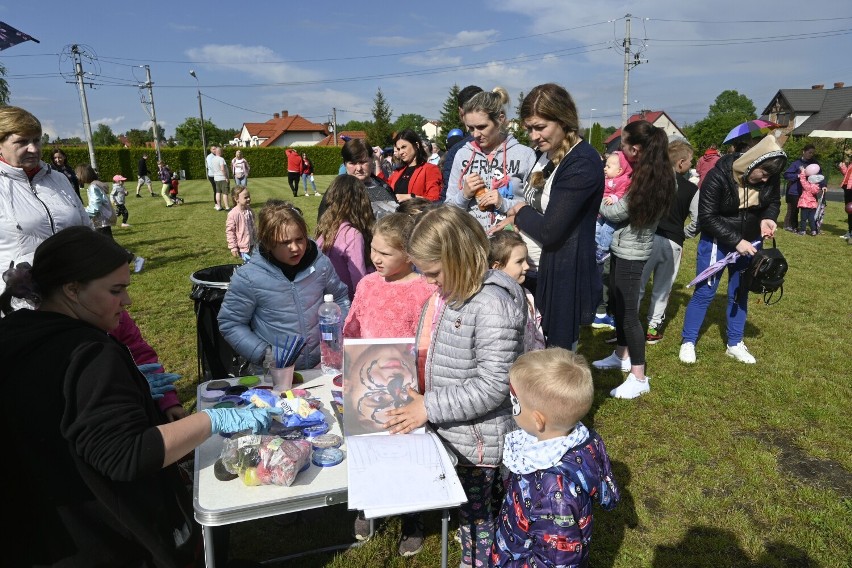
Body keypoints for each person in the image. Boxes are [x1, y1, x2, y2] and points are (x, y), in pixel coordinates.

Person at [0, 226, 281, 567]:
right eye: (116, 290)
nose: (127, 302)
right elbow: (128, 454)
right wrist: (212, 418)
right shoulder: (91, 354)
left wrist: (131, 392)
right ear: (72, 290)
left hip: (42, 528)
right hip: (108, 538)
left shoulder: (15, 333)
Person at [383, 205, 526, 567]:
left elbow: (493, 385)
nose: (429, 282)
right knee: (471, 511)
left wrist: (428, 406)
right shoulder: (456, 291)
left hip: (480, 442)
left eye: (432, 272)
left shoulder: (491, 304)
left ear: (458, 257)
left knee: (478, 520)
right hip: (460, 428)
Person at [490, 348, 620, 568]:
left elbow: (557, 561)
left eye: (514, 401)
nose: (511, 406)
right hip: (517, 539)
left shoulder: (554, 496)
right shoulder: (574, 439)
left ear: (538, 420)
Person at [500, 83, 605, 351]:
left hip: (561, 274)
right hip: (533, 270)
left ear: (563, 120)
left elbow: (551, 230)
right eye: (529, 128)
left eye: (540, 127)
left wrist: (519, 211)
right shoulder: (547, 155)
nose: (533, 136)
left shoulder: (581, 162)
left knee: (556, 360)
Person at [679, 134, 786, 365]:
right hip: (718, 242)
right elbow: (707, 217)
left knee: (740, 291)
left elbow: (773, 202)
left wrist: (767, 218)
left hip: (751, 244)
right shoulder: (718, 176)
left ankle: (735, 343)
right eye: (763, 174)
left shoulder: (770, 179)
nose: (766, 180)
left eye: (770, 176)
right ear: (752, 164)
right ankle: (688, 341)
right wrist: (736, 241)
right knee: (705, 292)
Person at [592, 120, 675, 399]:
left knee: (629, 314)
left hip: (632, 252)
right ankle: (620, 355)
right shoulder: (646, 172)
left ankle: (638, 376)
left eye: (624, 144)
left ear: (636, 150)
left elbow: (617, 213)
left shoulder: (648, 180)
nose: (620, 148)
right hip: (622, 247)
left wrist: (601, 200)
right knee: (618, 304)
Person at [218, 199, 350, 373]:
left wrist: (337, 333)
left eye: (300, 239)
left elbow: (340, 297)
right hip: (275, 374)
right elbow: (231, 323)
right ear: (268, 242)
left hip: (322, 367)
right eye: (285, 242)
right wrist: (264, 354)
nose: (295, 248)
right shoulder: (249, 277)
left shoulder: (321, 265)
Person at [0, 106, 91, 297]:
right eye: (22, 142)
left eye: (37, 140)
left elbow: (85, 227)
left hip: (74, 291)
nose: (33, 149)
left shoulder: (59, 179)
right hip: (22, 302)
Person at [446, 87, 536, 232]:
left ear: (500, 119)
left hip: (509, 246)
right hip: (472, 243)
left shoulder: (525, 155)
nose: (475, 134)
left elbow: (536, 209)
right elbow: (448, 209)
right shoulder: (462, 154)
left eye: (482, 127)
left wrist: (503, 203)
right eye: (470, 128)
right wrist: (464, 195)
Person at [637, 140, 699, 345]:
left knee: (638, 284)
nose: (692, 164)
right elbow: (698, 219)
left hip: (648, 238)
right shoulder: (691, 189)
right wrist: (685, 233)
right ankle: (653, 329)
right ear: (681, 162)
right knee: (662, 289)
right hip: (673, 243)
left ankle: (627, 325)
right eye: (690, 161)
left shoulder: (653, 181)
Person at [344, 212, 436, 340]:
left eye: (385, 254)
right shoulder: (367, 284)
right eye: (373, 249)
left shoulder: (427, 290)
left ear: (409, 255)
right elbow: (352, 332)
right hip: (368, 358)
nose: (376, 259)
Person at [315, 175, 375, 301]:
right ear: (361, 201)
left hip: (327, 298)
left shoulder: (325, 227)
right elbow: (358, 276)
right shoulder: (352, 234)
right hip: (347, 302)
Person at [488, 229, 545, 353]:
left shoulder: (528, 295)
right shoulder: (492, 303)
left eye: (526, 260)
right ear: (497, 267)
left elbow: (537, 332)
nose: (527, 266)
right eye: (519, 262)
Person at [321, 138, 397, 221]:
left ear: (372, 160)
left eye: (363, 162)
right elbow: (325, 226)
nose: (358, 168)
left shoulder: (381, 186)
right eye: (352, 163)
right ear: (345, 164)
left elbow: (395, 221)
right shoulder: (336, 192)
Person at [441, 84, 483, 202]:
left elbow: (447, 199)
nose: (477, 135)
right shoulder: (459, 150)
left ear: (460, 111)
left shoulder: (457, 150)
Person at [595, 150, 633, 264]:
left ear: (619, 171)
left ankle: (603, 250)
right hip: (602, 212)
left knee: (607, 229)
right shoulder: (605, 179)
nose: (605, 168)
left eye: (608, 166)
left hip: (612, 212)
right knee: (596, 227)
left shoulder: (624, 180)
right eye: (605, 165)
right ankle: (596, 244)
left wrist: (614, 198)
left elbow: (622, 194)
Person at [387, 129, 442, 202]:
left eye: (404, 147)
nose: (401, 152)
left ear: (416, 145)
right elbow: (384, 190)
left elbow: (435, 199)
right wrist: (377, 162)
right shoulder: (398, 172)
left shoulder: (430, 169)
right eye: (398, 149)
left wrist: (411, 197)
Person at [782, 144, 823, 232]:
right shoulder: (796, 163)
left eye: (812, 153)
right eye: (809, 152)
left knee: (811, 210)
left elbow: (820, 176)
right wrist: (799, 175)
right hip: (796, 191)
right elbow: (786, 175)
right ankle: (794, 227)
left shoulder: (815, 164)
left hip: (809, 192)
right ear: (803, 152)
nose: (811, 154)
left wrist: (823, 186)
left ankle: (812, 228)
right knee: (794, 210)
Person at [77, 164, 117, 237]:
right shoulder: (97, 184)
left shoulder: (93, 187)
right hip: (105, 219)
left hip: (101, 220)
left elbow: (95, 206)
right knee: (108, 240)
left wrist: (85, 214)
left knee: (104, 242)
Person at [226, 186, 256, 262]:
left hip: (253, 244)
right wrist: (233, 247)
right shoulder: (233, 214)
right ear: (236, 199)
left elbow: (253, 227)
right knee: (248, 265)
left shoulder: (249, 211)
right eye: (245, 197)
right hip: (243, 248)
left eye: (249, 196)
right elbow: (230, 232)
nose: (248, 199)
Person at [796, 165, 822, 236]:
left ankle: (802, 230)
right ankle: (813, 230)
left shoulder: (807, 186)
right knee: (811, 219)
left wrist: (803, 171)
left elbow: (802, 179)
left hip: (805, 204)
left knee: (803, 219)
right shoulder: (816, 187)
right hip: (812, 205)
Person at [839, 159, 852, 239]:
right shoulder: (851, 164)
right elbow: (847, 175)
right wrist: (842, 167)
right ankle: (850, 231)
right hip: (847, 188)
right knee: (849, 210)